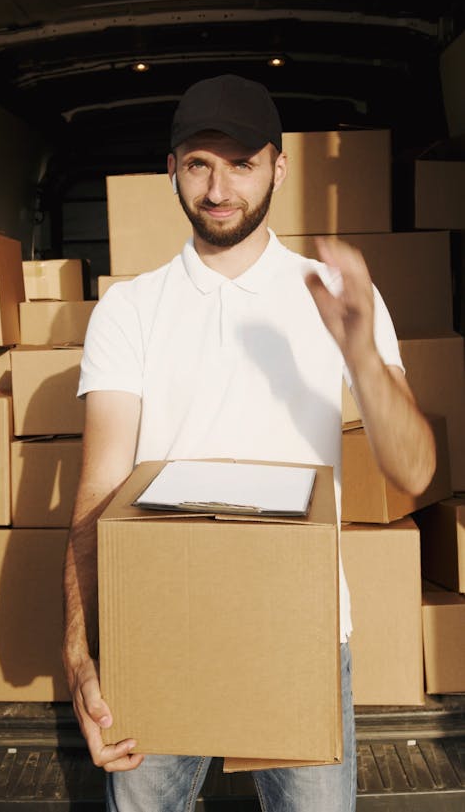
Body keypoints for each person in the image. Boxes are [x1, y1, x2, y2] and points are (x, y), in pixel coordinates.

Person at [62, 74, 436, 812]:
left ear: (280, 166)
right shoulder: (130, 309)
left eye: (241, 162)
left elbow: (414, 470)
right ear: (171, 169)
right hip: (157, 630)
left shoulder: (333, 296)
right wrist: (81, 653)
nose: (218, 186)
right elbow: (98, 490)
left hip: (301, 632)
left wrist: (361, 353)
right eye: (198, 162)